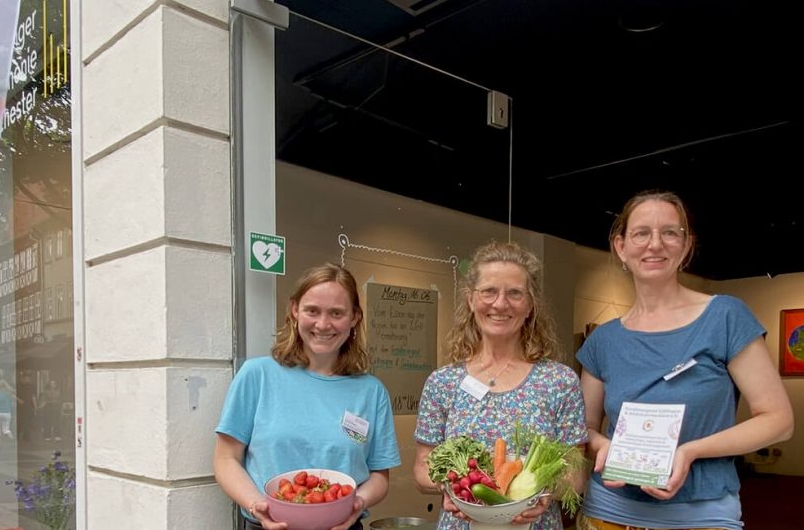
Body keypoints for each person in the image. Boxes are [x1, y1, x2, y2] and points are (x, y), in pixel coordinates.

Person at [576, 190, 793, 530]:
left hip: (701, 514)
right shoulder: (603, 340)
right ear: (621, 246)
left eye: (670, 232)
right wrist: (603, 444)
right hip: (610, 511)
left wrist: (688, 452)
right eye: (641, 233)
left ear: (687, 244)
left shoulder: (724, 316)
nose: (655, 244)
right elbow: (583, 429)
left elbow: (779, 420)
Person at [413, 240, 587, 530]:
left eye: (515, 293)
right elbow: (421, 468)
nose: (500, 304)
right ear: (471, 299)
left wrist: (542, 493)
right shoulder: (443, 382)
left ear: (530, 305)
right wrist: (451, 489)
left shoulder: (559, 382)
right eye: (489, 292)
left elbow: (576, 477)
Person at [214, 263, 401, 530]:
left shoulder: (371, 392)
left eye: (336, 313)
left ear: (355, 318)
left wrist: (357, 502)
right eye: (312, 311)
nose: (323, 324)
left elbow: (380, 476)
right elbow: (226, 459)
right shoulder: (258, 375)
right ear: (295, 310)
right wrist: (258, 505)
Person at [0, 378, 19, 444]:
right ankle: (12, 440)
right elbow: (11, 403)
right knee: (6, 430)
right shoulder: (8, 394)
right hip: (6, 413)